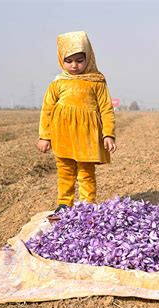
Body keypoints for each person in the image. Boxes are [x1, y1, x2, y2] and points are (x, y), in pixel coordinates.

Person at [37, 31, 116, 215]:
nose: (74, 65)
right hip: (62, 136)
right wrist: (44, 136)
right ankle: (65, 203)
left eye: (79, 60)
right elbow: (47, 110)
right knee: (65, 172)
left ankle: (87, 205)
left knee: (86, 173)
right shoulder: (57, 84)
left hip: (87, 137)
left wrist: (108, 134)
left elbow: (106, 109)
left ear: (88, 58)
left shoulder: (96, 81)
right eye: (69, 61)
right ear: (60, 60)